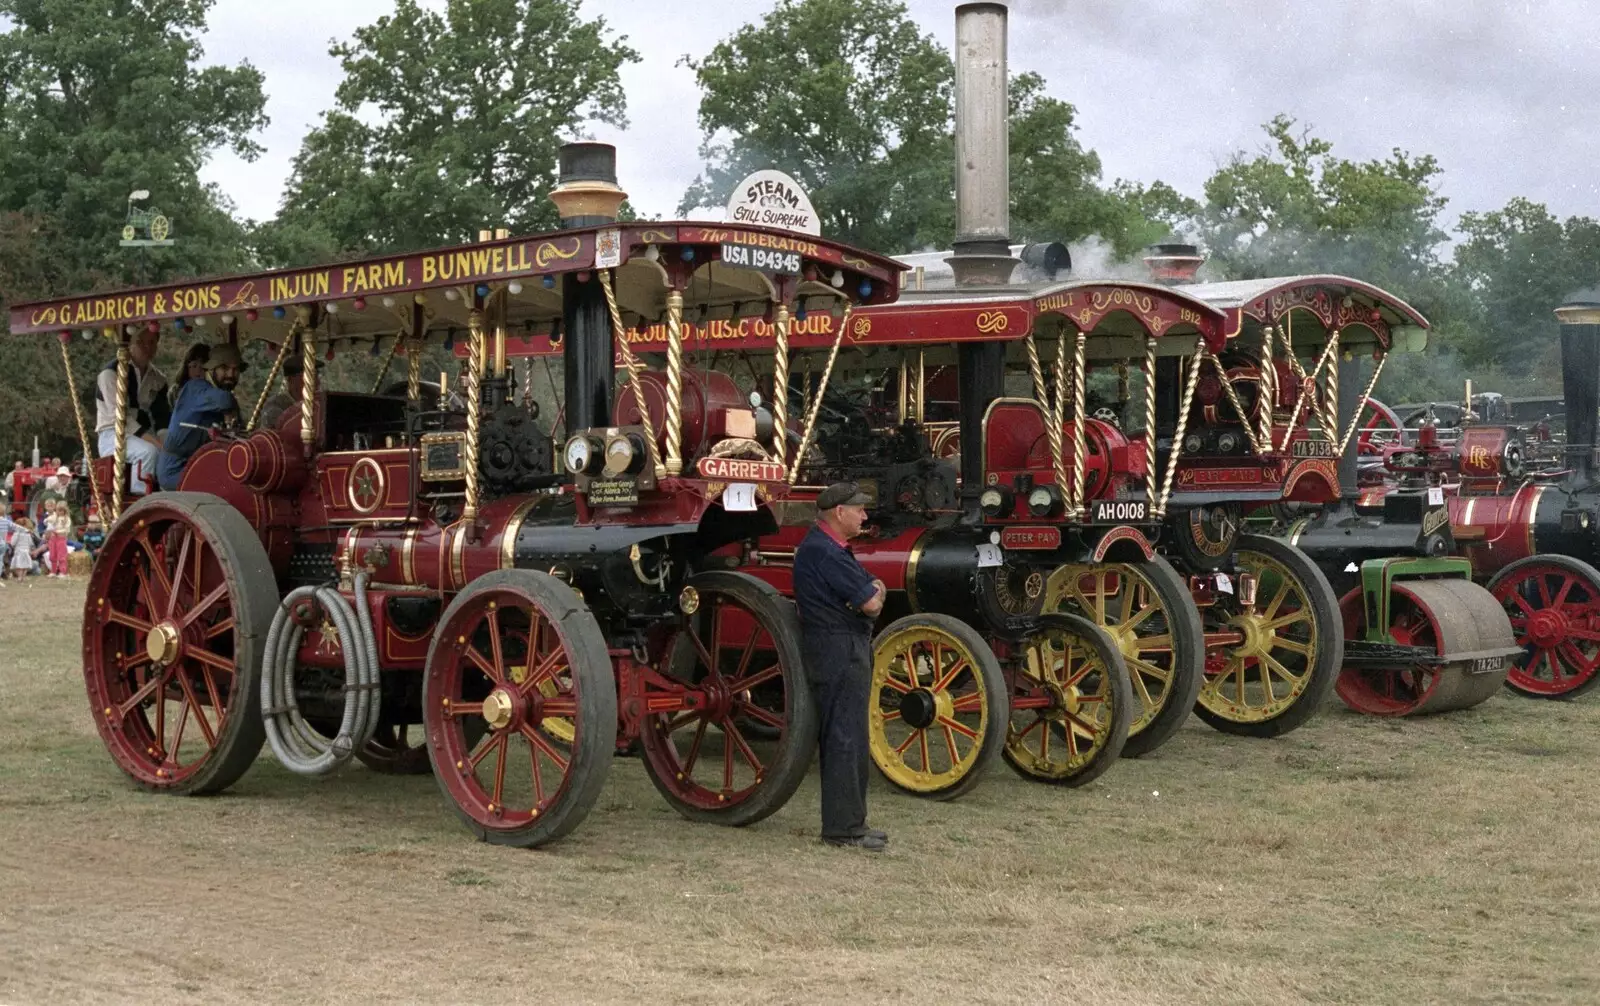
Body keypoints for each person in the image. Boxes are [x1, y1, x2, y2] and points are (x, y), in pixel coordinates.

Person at [791, 481, 889, 851]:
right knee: (844, 736)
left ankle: (852, 823)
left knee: (851, 735)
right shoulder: (825, 553)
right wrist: (873, 592)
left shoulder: (827, 548)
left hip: (840, 644)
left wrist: (872, 590)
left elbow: (870, 590)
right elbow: (871, 603)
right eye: (859, 509)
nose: (865, 515)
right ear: (839, 513)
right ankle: (842, 829)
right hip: (838, 647)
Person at [157, 343, 244, 491]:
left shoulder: (215, 397)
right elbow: (226, 400)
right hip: (176, 469)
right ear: (210, 370)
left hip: (198, 464)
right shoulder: (195, 388)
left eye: (235, 370)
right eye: (224, 368)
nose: (231, 374)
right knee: (224, 486)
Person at [95, 327, 168, 494]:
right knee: (148, 452)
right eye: (141, 342)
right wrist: (155, 442)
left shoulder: (158, 379)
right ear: (130, 345)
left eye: (152, 342)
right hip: (112, 434)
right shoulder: (110, 374)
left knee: (168, 453)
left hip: (140, 433)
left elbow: (162, 415)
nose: (147, 347)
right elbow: (121, 418)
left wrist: (165, 441)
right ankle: (138, 498)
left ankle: (163, 492)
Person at [44, 501, 71, 579]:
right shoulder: (55, 517)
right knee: (52, 555)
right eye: (58, 510)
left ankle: (63, 572)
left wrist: (57, 532)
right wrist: (47, 521)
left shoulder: (67, 519)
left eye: (61, 510)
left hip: (61, 539)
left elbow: (66, 530)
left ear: (65, 511)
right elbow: (47, 520)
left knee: (62, 555)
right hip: (53, 538)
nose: (59, 512)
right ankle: (53, 571)